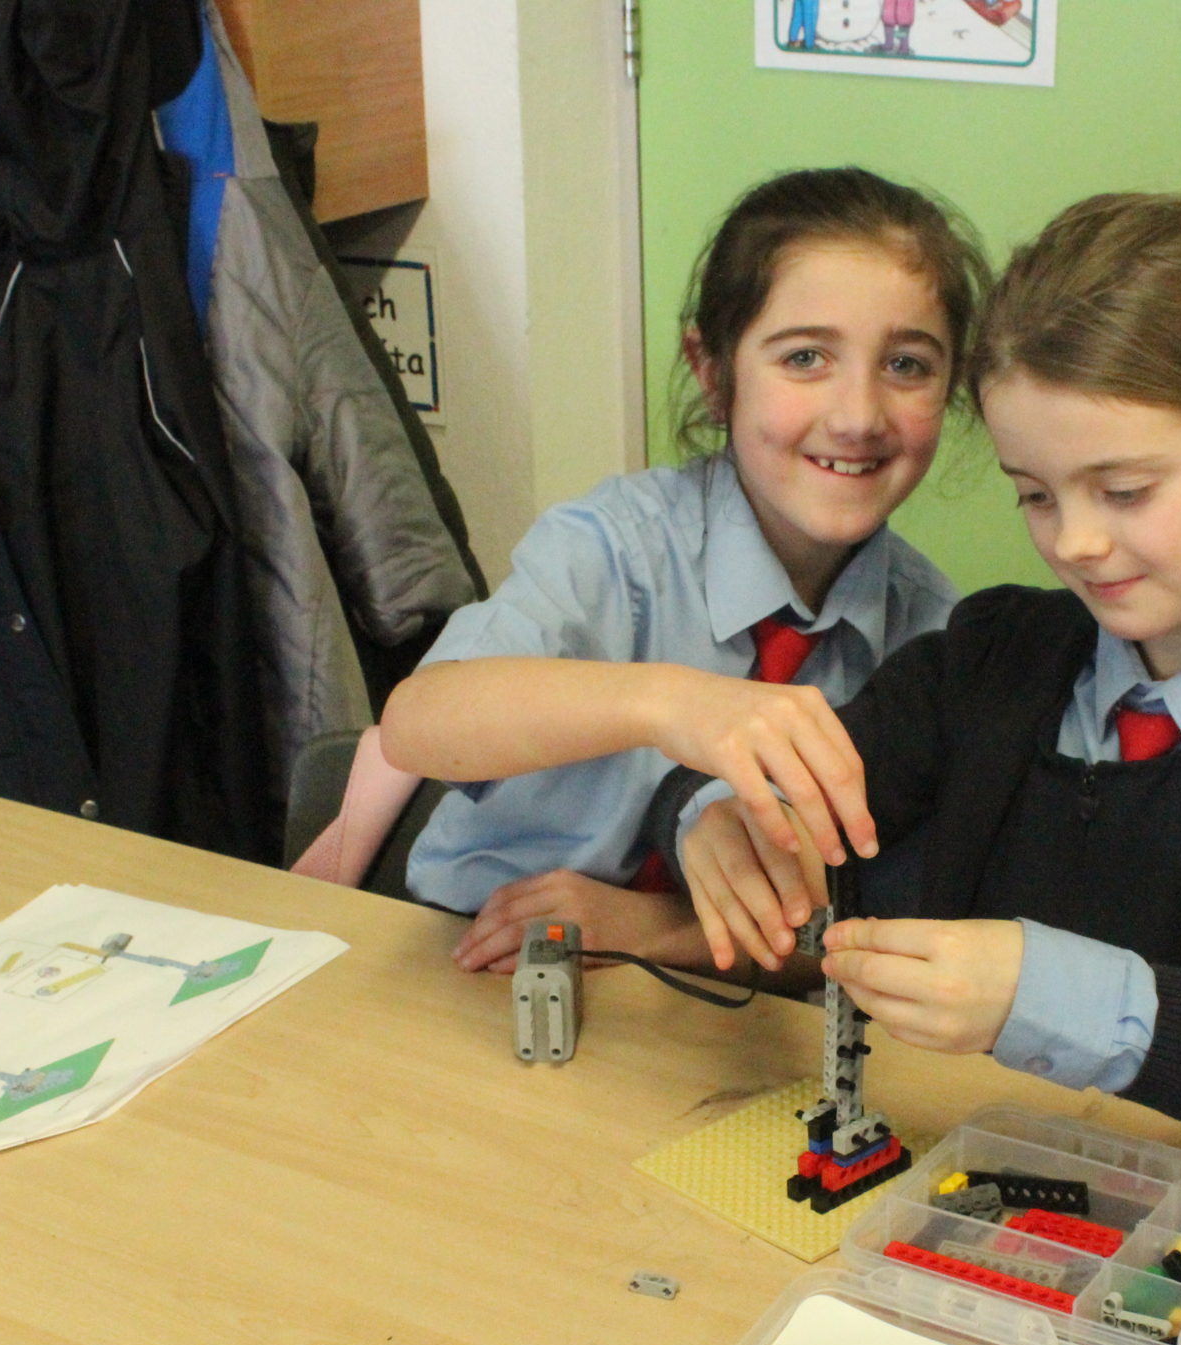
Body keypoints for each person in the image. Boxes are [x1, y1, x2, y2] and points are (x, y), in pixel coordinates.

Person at [663, 194, 1181, 1178]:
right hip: (969, 1201)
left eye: (1125, 491)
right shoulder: (992, 657)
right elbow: (802, 791)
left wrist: (1053, 997)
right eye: (1035, 493)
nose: (1075, 541)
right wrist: (722, 817)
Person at [358, 168, 979, 974]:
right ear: (713, 372)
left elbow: (873, 919)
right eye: (804, 358)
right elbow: (417, 724)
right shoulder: (616, 549)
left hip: (710, 1002)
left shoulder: (934, 631)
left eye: (907, 365)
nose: (858, 416)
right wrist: (670, 704)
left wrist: (650, 929)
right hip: (477, 961)